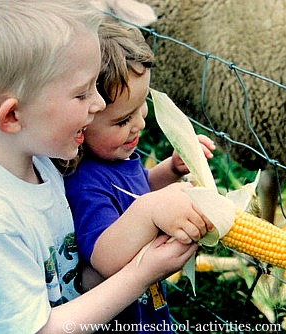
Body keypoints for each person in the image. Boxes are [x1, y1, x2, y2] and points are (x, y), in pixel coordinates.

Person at [0, 1, 198, 333]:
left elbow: (70, 277)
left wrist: (141, 251)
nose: (100, 104)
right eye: (81, 95)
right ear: (12, 116)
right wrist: (142, 272)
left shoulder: (39, 164)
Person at [64, 21, 216, 333]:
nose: (140, 125)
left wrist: (170, 170)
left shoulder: (115, 157)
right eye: (122, 120)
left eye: (141, 107)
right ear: (81, 121)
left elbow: (138, 188)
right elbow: (104, 257)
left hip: (150, 311)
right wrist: (151, 211)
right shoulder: (85, 183)